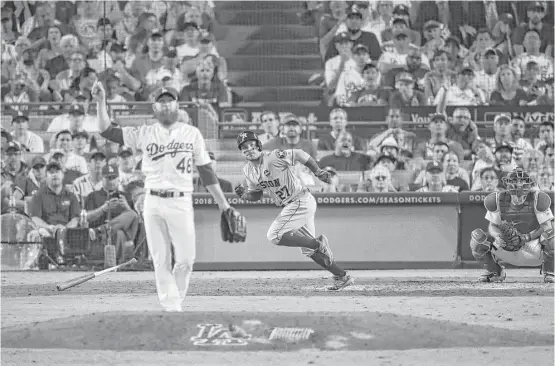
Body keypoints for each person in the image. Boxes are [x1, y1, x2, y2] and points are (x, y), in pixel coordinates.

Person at [94, 83, 241, 312]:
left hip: (180, 201)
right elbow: (106, 130)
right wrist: (100, 101)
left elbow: (206, 171)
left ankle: (175, 302)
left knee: (186, 260)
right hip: (152, 201)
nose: (165, 104)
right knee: (160, 260)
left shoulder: (192, 134)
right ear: (154, 107)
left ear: (177, 104)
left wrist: (224, 204)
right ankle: (172, 308)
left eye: (169, 100)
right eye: (161, 101)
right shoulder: (144, 132)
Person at [234, 131, 354, 291]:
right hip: (293, 205)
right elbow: (257, 194)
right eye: (244, 147)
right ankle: (342, 276)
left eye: (251, 144)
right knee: (308, 251)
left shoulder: (273, 156)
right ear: (241, 152)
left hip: (300, 200)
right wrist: (245, 195)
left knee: (274, 235)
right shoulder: (248, 170)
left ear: (259, 145)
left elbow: (299, 153)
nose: (249, 149)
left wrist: (317, 171)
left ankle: (317, 243)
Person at [469, 168, 554, 283]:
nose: (518, 184)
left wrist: (526, 237)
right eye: (514, 180)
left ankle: (550, 271)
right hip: (506, 246)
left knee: (551, 235)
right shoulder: (498, 199)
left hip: (532, 248)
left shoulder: (538, 198)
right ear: (507, 183)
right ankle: (495, 271)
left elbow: (547, 227)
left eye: (522, 180)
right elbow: (492, 227)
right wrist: (498, 236)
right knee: (477, 239)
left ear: (528, 183)